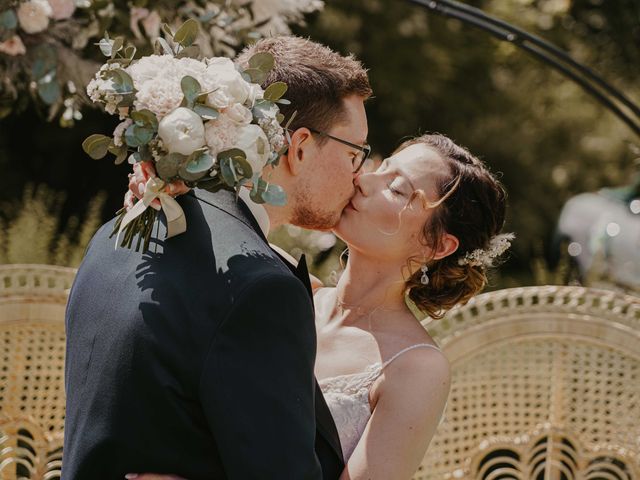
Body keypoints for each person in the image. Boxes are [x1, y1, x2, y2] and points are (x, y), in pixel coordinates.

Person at [62, 36, 372, 480]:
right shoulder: (259, 290)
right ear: (300, 146)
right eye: (355, 153)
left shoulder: (119, 230)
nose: (359, 176)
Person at [131, 133, 511, 480]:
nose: (362, 179)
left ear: (438, 246)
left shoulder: (415, 367)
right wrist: (156, 196)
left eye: (396, 189)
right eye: (379, 168)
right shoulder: (283, 289)